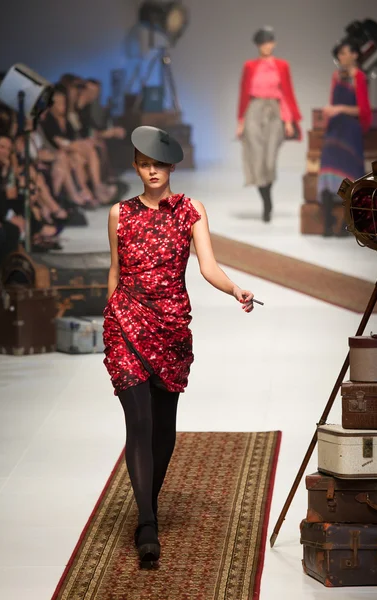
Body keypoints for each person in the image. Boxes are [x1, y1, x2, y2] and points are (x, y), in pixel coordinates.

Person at [103, 126, 256, 568]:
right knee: (140, 423)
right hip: (126, 323)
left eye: (159, 164)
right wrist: (108, 317)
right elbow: (114, 269)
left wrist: (235, 290)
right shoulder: (119, 213)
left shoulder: (191, 211)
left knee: (165, 429)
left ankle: (146, 504)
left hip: (170, 328)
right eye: (144, 164)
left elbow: (207, 266)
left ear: (171, 167)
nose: (151, 171)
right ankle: (147, 523)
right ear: (136, 166)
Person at [236, 26, 302, 222]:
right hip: (254, 111)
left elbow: (286, 93)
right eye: (262, 43)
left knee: (270, 160)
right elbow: (243, 94)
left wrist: (289, 121)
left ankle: (268, 199)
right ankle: (266, 203)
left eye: (269, 42)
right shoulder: (249, 66)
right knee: (256, 160)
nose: (266, 46)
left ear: (274, 43)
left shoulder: (282, 65)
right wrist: (240, 122)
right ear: (258, 46)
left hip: (275, 112)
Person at [317, 42, 372, 236]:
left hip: (350, 130)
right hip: (335, 129)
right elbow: (333, 102)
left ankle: (344, 223)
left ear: (355, 55)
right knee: (327, 171)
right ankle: (327, 222)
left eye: (344, 53)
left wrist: (339, 109)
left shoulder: (359, 77)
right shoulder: (336, 76)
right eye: (339, 53)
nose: (341, 57)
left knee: (347, 177)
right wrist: (330, 112)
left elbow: (363, 110)